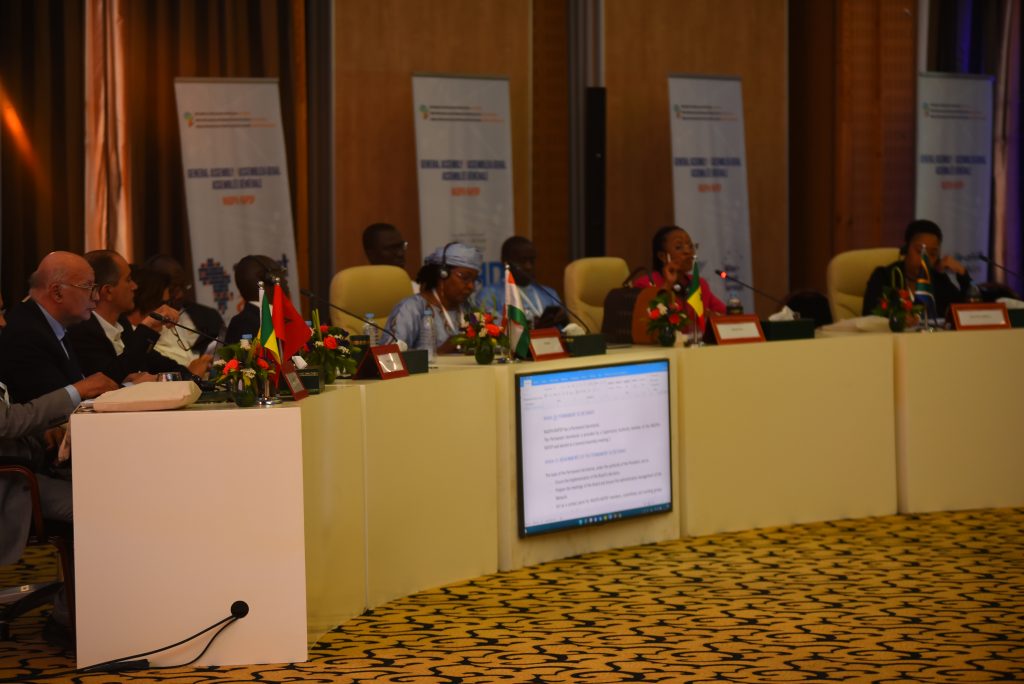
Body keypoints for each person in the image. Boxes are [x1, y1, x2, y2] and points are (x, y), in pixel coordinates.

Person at [0, 290, 116, 650]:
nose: (3, 322)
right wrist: (77, 391)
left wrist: (41, 432)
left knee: (109, 492)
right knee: (100, 510)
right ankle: (70, 620)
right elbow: (5, 423)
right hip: (11, 481)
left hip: (26, 467)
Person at [66, 250, 212, 384]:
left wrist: (190, 376)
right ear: (108, 291)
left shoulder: (121, 323)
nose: (134, 286)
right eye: (128, 280)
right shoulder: (82, 330)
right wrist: (147, 328)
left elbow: (154, 362)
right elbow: (110, 378)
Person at [0, 252, 110, 403]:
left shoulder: (53, 324)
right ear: (57, 292)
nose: (96, 297)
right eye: (88, 286)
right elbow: (54, 407)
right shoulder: (25, 333)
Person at [862, 219, 971, 318]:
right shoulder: (884, 276)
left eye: (932, 254)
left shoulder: (939, 280)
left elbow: (967, 313)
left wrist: (963, 275)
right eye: (919, 251)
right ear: (906, 249)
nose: (925, 260)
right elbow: (869, 315)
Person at [386, 242, 482, 352]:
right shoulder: (411, 309)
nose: (471, 286)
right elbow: (388, 355)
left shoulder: (469, 308)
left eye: (474, 280)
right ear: (443, 274)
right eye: (465, 278)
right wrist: (441, 352)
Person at [632, 225, 726, 318]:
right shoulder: (645, 284)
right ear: (662, 256)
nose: (688, 251)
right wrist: (667, 285)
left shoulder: (699, 284)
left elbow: (726, 314)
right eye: (678, 247)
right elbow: (647, 319)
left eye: (690, 246)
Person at [474, 236, 567, 328]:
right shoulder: (489, 294)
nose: (528, 266)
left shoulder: (549, 293)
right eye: (522, 261)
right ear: (506, 262)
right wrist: (531, 325)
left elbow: (564, 328)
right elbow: (490, 327)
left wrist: (562, 320)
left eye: (532, 261)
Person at [145, 254, 225, 356]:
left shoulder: (209, 316)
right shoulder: (147, 328)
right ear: (155, 287)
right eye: (173, 289)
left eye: (183, 286)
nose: (180, 294)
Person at [225, 255, 283, 343]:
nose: (285, 281)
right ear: (269, 280)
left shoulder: (281, 316)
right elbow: (245, 350)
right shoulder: (243, 324)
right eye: (280, 275)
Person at [363, 222, 416, 293]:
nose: (400, 253)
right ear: (371, 255)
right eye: (392, 248)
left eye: (401, 246)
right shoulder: (358, 292)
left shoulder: (416, 290)